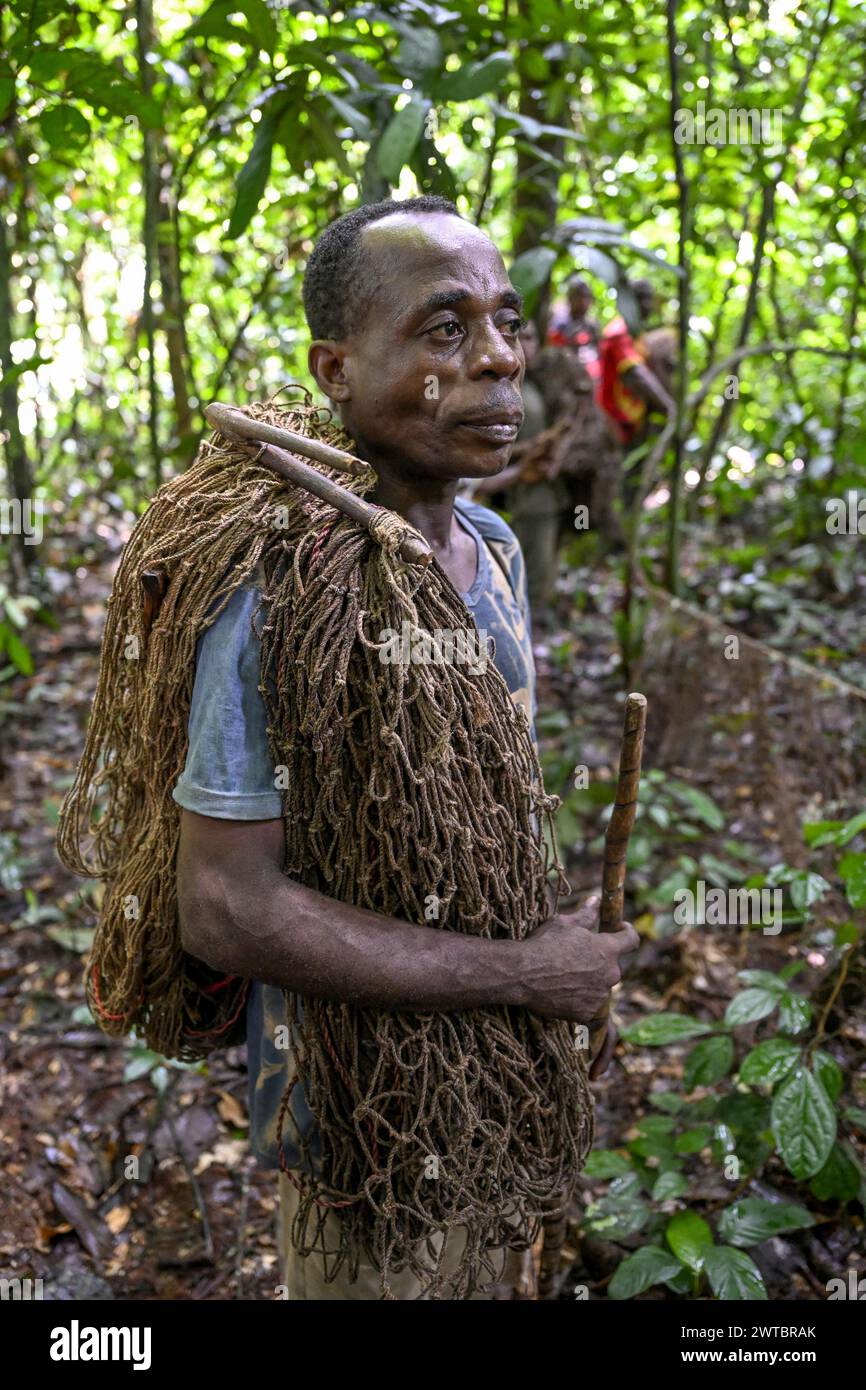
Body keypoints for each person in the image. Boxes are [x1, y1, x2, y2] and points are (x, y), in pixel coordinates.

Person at [171, 197, 638, 1299]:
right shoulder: (274, 588)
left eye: (504, 324)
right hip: (361, 1138)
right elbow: (223, 906)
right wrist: (521, 973)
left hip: (495, 1104)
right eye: (443, 331)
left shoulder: (487, 545)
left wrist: (540, 944)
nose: (496, 360)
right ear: (335, 368)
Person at [597, 278, 674, 448]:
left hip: (631, 420)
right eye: (640, 298)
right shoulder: (619, 332)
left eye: (648, 299)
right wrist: (668, 407)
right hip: (613, 420)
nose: (646, 305)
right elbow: (637, 373)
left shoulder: (636, 333)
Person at [547, 275, 601, 384]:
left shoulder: (592, 325)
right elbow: (552, 351)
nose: (583, 301)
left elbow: (598, 351)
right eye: (579, 296)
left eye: (586, 297)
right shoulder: (559, 322)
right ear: (570, 298)